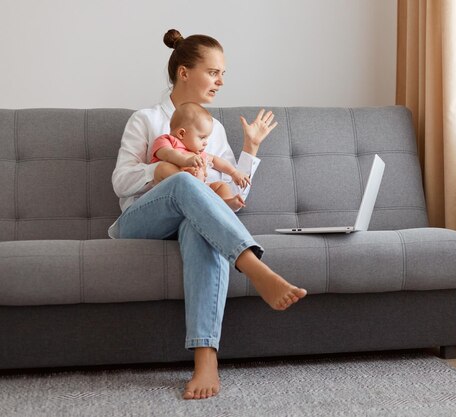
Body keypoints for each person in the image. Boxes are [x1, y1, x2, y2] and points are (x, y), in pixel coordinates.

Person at [108, 28, 307, 400]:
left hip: (193, 222)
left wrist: (250, 148)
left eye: (223, 74)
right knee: (187, 186)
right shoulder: (146, 120)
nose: (220, 81)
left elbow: (235, 197)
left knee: (200, 226)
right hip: (140, 221)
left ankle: (205, 360)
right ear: (184, 72)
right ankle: (255, 267)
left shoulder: (212, 129)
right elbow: (121, 181)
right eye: (214, 72)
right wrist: (166, 170)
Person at [151, 102, 250, 210]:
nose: (205, 142)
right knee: (163, 167)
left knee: (222, 186)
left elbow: (216, 160)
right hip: (170, 191)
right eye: (202, 137)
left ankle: (224, 204)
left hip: (199, 191)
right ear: (182, 134)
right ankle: (188, 184)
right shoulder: (166, 140)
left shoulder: (197, 153)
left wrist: (233, 172)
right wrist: (186, 161)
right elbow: (167, 154)